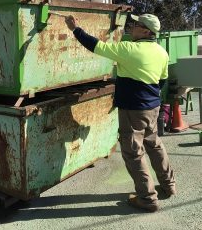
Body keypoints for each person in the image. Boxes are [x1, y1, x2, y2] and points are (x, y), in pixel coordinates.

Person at [65, 13, 176, 212]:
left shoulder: (128, 49)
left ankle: (147, 198)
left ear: (145, 31)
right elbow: (162, 81)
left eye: (135, 24)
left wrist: (75, 29)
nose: (131, 27)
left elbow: (97, 46)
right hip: (152, 107)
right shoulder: (162, 52)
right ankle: (169, 185)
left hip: (133, 109)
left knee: (133, 153)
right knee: (154, 144)